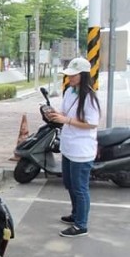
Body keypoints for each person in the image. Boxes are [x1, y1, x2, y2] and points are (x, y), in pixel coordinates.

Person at [48, 57, 100, 238]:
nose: (70, 78)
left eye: (73, 75)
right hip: (69, 146)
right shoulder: (70, 91)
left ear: (83, 75)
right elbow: (65, 113)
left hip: (82, 150)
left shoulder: (90, 97)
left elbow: (92, 124)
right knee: (69, 184)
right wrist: (56, 114)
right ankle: (76, 214)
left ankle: (81, 225)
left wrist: (66, 120)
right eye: (69, 75)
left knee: (80, 188)